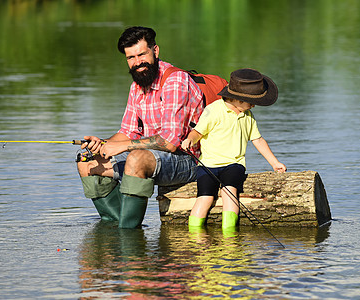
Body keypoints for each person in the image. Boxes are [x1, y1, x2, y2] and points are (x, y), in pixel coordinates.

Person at [77, 26, 204, 228]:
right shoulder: (136, 86)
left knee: (136, 158)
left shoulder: (175, 80)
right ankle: (117, 225)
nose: (137, 63)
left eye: (141, 54)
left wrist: (125, 146)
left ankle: (129, 237)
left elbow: (170, 143)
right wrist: (102, 144)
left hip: (189, 162)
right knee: (87, 162)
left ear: (155, 50)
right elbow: (127, 132)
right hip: (150, 157)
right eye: (131, 58)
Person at [181, 68, 287, 231]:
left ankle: (229, 236)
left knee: (229, 193)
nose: (252, 105)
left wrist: (274, 163)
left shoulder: (248, 116)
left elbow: (258, 140)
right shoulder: (214, 110)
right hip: (208, 166)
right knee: (205, 198)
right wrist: (189, 139)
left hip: (233, 164)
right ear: (235, 98)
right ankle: (195, 236)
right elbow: (198, 132)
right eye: (249, 101)